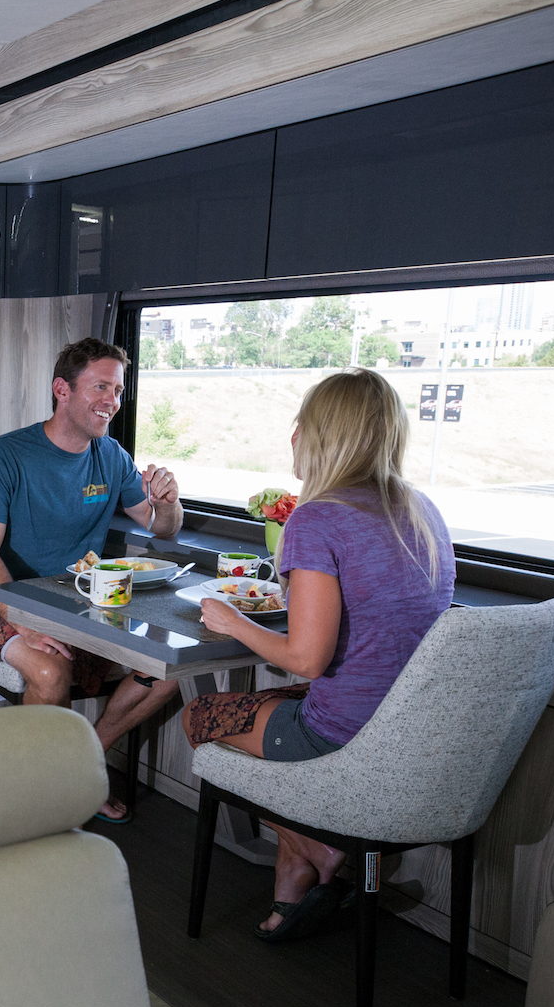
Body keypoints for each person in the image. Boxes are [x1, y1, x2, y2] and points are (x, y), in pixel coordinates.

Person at [183, 367, 452, 940]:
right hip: (410, 728)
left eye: (299, 425)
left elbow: (304, 661)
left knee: (201, 714)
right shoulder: (422, 509)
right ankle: (290, 891)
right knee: (264, 708)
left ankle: (325, 851)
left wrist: (230, 620)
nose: (293, 438)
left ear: (322, 436)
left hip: (344, 735)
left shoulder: (317, 517)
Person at [0, 336, 183, 823]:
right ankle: (40, 804)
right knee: (50, 672)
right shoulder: (2, 455)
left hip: (80, 600)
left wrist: (168, 502)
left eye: (119, 390)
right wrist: (22, 622)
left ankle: (79, 765)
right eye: (100, 386)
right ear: (62, 390)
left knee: (168, 673)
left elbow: (161, 528)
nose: (113, 401)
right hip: (3, 597)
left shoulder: (112, 456)